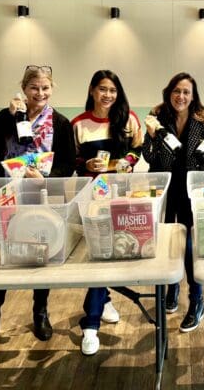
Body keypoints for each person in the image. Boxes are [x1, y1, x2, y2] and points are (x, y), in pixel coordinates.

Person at [0, 64, 76, 353]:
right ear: (24, 88)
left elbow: (68, 165)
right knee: (1, 258)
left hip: (39, 197)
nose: (40, 93)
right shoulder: (6, 117)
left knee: (40, 253)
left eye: (45, 88)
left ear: (52, 89)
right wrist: (7, 118)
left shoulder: (60, 123)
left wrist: (46, 177)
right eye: (34, 88)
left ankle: (40, 313)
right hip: (4, 197)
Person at [142, 72, 204, 332]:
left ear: (193, 96)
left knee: (192, 244)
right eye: (177, 91)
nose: (181, 96)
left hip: (192, 188)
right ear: (169, 93)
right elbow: (148, 156)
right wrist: (154, 135)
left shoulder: (202, 121)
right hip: (165, 187)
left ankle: (197, 299)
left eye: (186, 92)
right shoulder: (158, 118)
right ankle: (172, 287)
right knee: (167, 240)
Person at [73, 70, 144, 356]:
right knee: (99, 257)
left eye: (113, 90)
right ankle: (90, 325)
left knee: (109, 254)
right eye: (102, 89)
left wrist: (122, 162)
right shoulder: (79, 123)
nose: (108, 95)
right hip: (92, 200)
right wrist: (86, 165)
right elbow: (72, 160)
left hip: (123, 196)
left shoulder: (128, 119)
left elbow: (138, 151)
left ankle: (102, 302)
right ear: (92, 90)